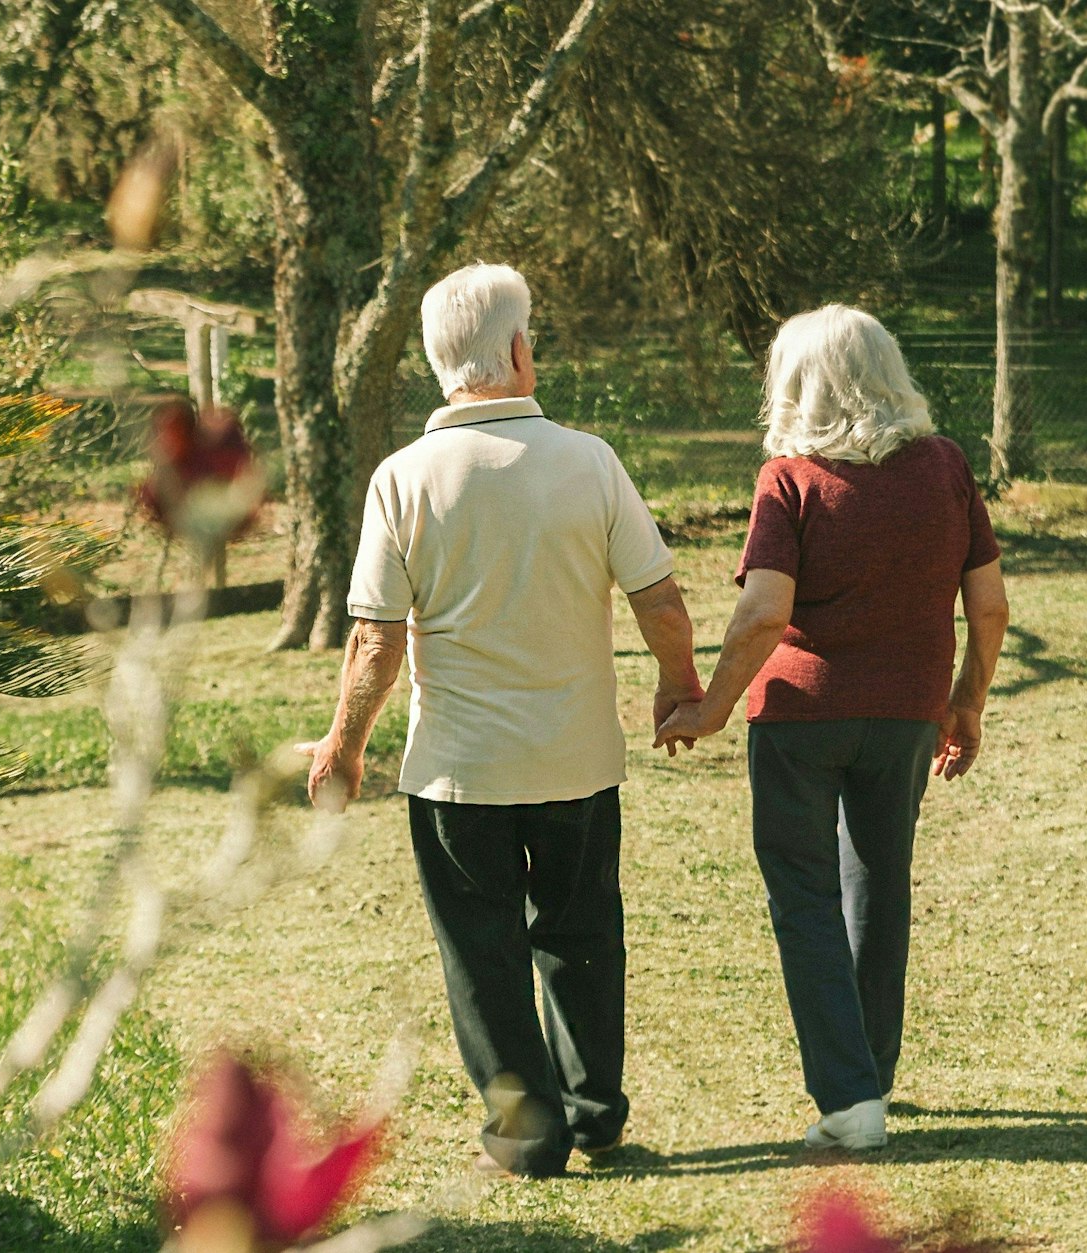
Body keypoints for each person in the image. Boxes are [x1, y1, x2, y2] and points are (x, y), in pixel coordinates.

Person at [301, 263, 701, 1177]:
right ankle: (596, 1113)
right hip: (577, 758)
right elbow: (663, 601)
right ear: (517, 351)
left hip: (458, 771)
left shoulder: (401, 479)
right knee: (584, 932)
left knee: (483, 952)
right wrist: (680, 688)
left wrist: (345, 747)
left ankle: (526, 1135)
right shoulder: (590, 460)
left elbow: (375, 641)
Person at [655, 304, 1010, 1152]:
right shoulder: (947, 467)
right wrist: (967, 700)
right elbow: (989, 604)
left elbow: (761, 615)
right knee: (879, 886)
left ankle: (851, 1103)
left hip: (801, 720)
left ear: (796, 383)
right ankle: (869, 1075)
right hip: (906, 714)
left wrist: (707, 709)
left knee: (805, 895)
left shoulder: (791, 478)